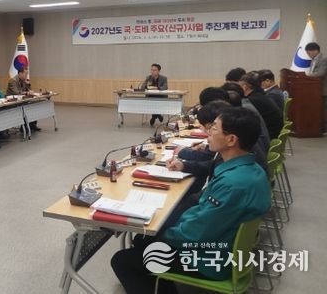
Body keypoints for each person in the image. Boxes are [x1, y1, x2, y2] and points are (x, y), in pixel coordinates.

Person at [111, 107, 271, 293]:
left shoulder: (232, 184)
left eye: (214, 128)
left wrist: (160, 232)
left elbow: (195, 235)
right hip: (226, 247)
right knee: (143, 239)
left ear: (231, 140)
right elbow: (205, 219)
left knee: (122, 260)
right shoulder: (252, 170)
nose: (208, 132)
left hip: (210, 260)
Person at [238, 72, 283, 140]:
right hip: (274, 133)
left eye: (240, 86)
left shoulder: (251, 101)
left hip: (268, 137)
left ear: (245, 87)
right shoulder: (262, 96)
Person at [305, 42, 327, 134]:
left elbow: (321, 73)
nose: (308, 55)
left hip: (323, 90)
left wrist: (306, 76)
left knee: (324, 111)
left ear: (315, 51)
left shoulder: (324, 60)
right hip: (315, 90)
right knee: (319, 110)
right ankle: (320, 128)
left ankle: (325, 129)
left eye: (308, 52)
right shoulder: (313, 61)